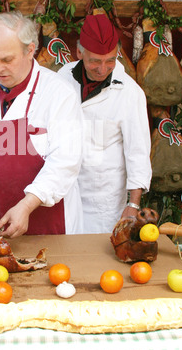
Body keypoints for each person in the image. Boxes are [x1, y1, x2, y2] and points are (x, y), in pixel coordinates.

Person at [0, 11, 83, 238]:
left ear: (30, 50)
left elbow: (65, 162)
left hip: (46, 220)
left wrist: (27, 205)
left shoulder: (59, 93)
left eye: (7, 60)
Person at [58, 14, 152, 233]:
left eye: (110, 60)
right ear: (79, 52)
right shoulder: (62, 77)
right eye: (95, 61)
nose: (103, 69)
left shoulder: (130, 93)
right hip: (63, 193)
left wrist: (133, 205)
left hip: (104, 201)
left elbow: (138, 153)